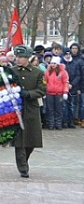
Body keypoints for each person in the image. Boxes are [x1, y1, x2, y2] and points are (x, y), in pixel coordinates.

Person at [12, 45, 47, 178]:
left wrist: (29, 94)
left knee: (31, 139)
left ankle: (24, 159)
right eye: (17, 57)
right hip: (16, 109)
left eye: (21, 57)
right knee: (19, 140)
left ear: (28, 58)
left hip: (32, 108)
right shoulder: (11, 71)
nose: (18, 59)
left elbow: (42, 89)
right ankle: (22, 167)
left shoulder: (37, 72)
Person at [44, 56, 69, 130]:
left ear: (57, 64)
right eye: (51, 63)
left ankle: (58, 124)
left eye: (54, 63)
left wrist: (65, 92)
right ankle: (51, 124)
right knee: (50, 109)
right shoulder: (47, 72)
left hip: (59, 94)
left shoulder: (63, 72)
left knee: (59, 109)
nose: (53, 65)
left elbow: (65, 82)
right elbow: (45, 82)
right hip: (49, 93)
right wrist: (44, 92)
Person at [61, 48, 80, 129]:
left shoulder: (75, 64)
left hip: (72, 88)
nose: (68, 55)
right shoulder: (61, 64)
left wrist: (72, 84)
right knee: (64, 106)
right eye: (66, 54)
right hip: (63, 88)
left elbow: (78, 75)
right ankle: (64, 121)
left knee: (71, 106)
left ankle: (70, 121)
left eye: (69, 54)